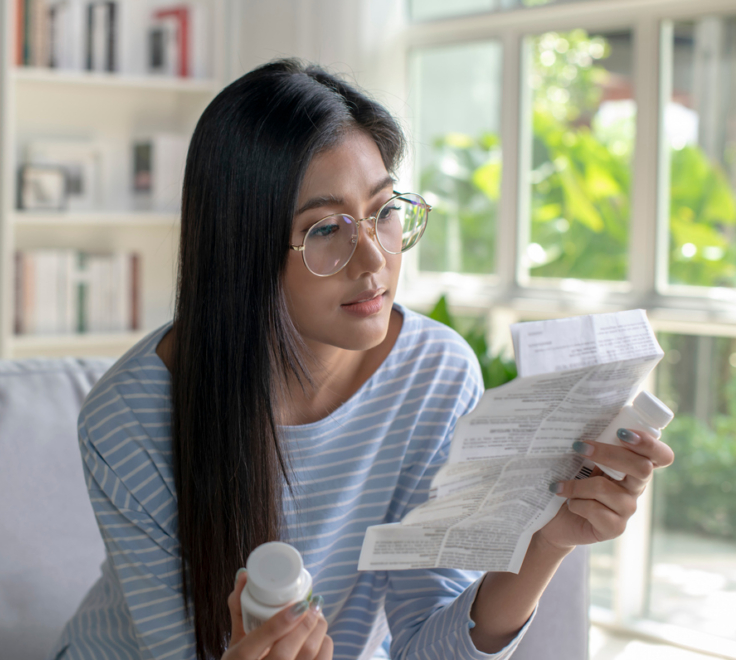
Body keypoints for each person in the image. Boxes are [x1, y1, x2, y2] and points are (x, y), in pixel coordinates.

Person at [48, 59, 674, 660]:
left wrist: (547, 542)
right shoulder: (129, 419)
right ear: (241, 251)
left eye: (382, 212)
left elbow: (430, 648)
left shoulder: (434, 375)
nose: (374, 259)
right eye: (325, 229)